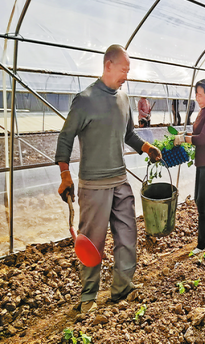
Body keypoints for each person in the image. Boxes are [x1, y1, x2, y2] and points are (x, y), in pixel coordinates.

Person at [55, 44, 162, 313]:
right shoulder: (85, 99)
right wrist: (65, 175)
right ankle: (88, 297)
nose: (126, 75)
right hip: (93, 185)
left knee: (127, 235)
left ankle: (122, 288)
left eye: (129, 71)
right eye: (124, 70)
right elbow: (65, 138)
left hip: (120, 180)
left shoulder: (124, 99)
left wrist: (147, 148)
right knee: (92, 242)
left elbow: (129, 136)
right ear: (108, 65)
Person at [174, 77, 205, 255]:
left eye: (201, 94)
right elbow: (196, 133)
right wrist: (185, 134)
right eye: (196, 94)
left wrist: (185, 139)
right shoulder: (203, 111)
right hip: (202, 162)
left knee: (202, 200)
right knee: (199, 198)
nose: (198, 98)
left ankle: (204, 244)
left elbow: (202, 139)